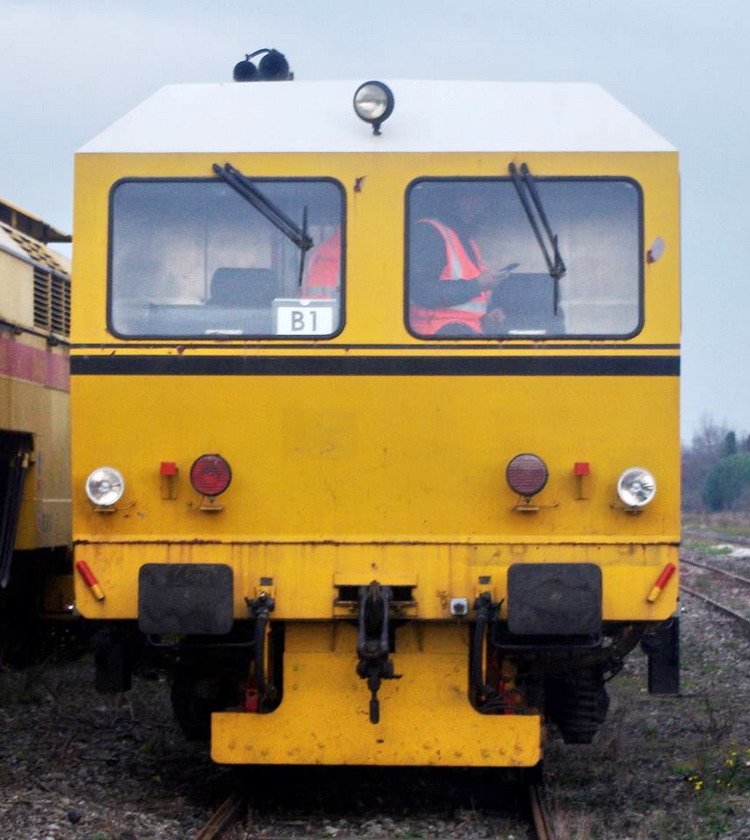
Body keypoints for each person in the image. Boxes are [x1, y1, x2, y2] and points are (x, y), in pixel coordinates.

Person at [409, 194, 515, 337]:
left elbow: (468, 306)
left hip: (463, 334)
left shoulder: (466, 240)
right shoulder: (428, 232)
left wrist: (486, 317)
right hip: (434, 337)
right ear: (450, 199)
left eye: (481, 201)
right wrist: (477, 285)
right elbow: (421, 292)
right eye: (468, 198)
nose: (475, 207)